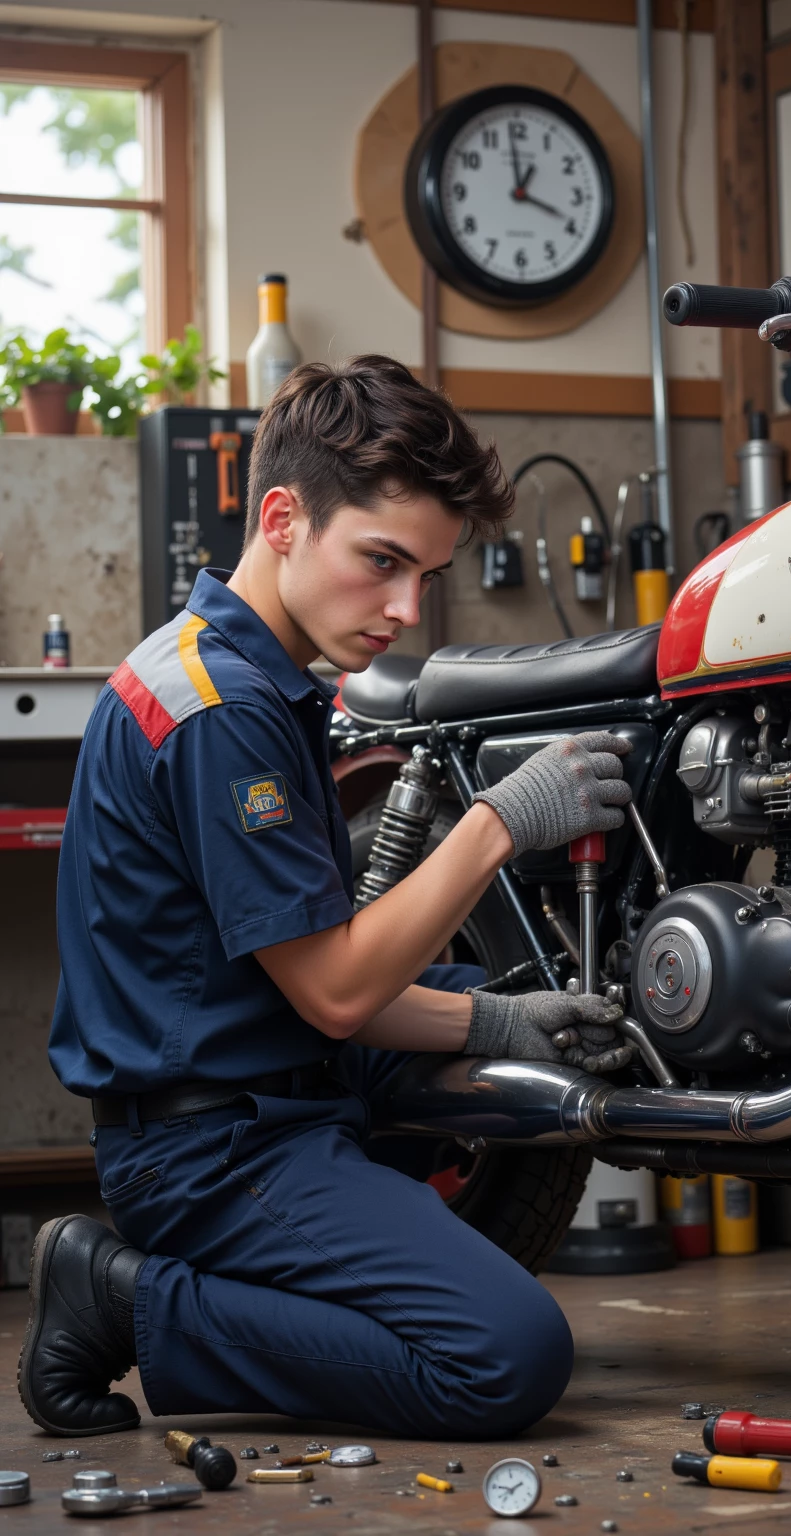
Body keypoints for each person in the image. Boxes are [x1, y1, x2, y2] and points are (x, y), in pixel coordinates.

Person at [20, 357, 633, 1442]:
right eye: (381, 562)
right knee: (504, 1358)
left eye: (425, 575)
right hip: (211, 1147)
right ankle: (118, 1295)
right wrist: (498, 824)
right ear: (282, 519)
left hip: (276, 1077)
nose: (404, 609)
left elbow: (319, 976)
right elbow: (340, 992)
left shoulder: (248, 673)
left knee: (474, 986)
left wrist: (500, 1021)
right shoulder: (219, 709)